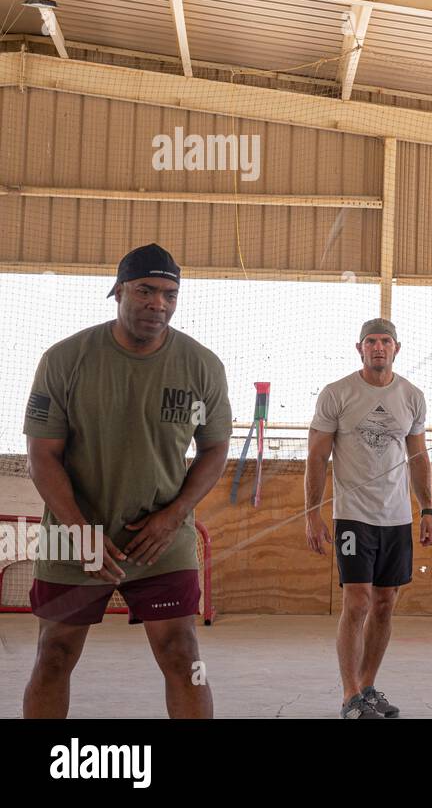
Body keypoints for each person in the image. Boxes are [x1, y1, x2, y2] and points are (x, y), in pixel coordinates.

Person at [21, 244, 232, 718]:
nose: (158, 304)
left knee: (183, 655)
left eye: (169, 294)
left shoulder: (201, 366)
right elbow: (41, 456)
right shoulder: (65, 359)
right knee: (53, 656)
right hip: (72, 537)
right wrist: (79, 531)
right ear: (117, 291)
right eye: (145, 291)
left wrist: (172, 517)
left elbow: (214, 449)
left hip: (160, 539)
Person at [305, 318, 432, 719]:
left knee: (384, 603)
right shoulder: (337, 394)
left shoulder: (411, 396)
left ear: (398, 348)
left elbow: (418, 457)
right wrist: (314, 514)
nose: (378, 347)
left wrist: (427, 510)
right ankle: (349, 696)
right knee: (357, 601)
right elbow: (316, 457)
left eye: (386, 342)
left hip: (395, 518)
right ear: (359, 348)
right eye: (371, 342)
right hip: (353, 517)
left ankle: (367, 686)